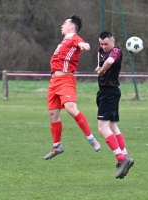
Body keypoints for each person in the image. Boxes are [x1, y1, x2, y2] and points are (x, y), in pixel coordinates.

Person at [44, 15, 101, 160]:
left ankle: (91, 139)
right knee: (53, 114)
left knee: (70, 107)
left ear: (72, 27)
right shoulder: (64, 41)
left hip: (65, 80)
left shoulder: (74, 38)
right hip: (54, 81)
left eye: (65, 23)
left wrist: (84, 45)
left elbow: (84, 44)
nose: (62, 25)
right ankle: (57, 146)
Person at [94, 31, 134, 179]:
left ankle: (121, 160)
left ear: (113, 41)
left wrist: (102, 71)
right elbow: (99, 62)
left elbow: (109, 62)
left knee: (102, 128)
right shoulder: (100, 51)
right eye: (101, 44)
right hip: (105, 92)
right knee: (112, 126)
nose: (104, 47)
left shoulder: (116, 51)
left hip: (109, 93)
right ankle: (125, 156)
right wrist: (99, 68)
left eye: (106, 44)